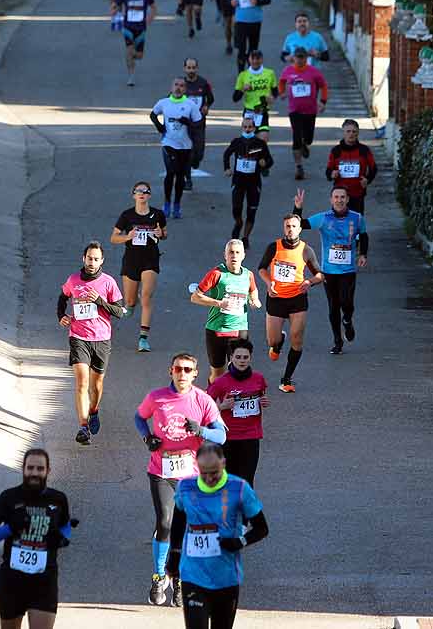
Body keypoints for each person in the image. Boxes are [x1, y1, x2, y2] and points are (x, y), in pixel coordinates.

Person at [136, 354, 227, 607]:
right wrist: (147, 437)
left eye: (188, 370)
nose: (182, 373)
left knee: (185, 529)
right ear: (171, 371)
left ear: (195, 373)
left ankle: (178, 578)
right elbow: (139, 417)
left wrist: (201, 431)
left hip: (191, 476)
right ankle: (158, 575)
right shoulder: (157, 397)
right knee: (164, 522)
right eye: (178, 369)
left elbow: (221, 436)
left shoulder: (203, 400)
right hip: (161, 471)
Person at [165, 442, 269, 629]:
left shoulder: (239, 489)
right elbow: (179, 518)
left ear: (223, 464)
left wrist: (239, 542)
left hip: (226, 578)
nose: (209, 478)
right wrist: (174, 553)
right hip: (193, 576)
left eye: (214, 472)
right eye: (204, 472)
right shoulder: (186, 488)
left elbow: (262, 528)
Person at [0, 448, 77, 629]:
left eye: (40, 469)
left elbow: (65, 525)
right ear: (23, 469)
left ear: (48, 471)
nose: (34, 473)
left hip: (44, 581)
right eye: (30, 468)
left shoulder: (58, 499)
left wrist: (62, 537)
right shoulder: (8, 497)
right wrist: (10, 528)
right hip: (12, 581)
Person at [58, 241, 128, 444]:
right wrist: (61, 315)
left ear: (102, 261)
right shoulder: (73, 280)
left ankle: (94, 410)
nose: (92, 262)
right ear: (83, 258)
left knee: (96, 385)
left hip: (101, 339)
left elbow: (119, 312)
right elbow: (62, 298)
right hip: (78, 337)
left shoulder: (108, 282)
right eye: (89, 258)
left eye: (96, 259)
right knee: (82, 383)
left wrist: (99, 300)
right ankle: (83, 427)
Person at [293, 186, 369, 355]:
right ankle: (337, 342)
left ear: (347, 199)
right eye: (336, 197)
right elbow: (300, 225)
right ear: (331, 200)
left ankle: (347, 320)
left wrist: (363, 254)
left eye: (342, 197)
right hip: (329, 271)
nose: (339, 200)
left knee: (347, 303)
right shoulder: (323, 218)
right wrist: (298, 208)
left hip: (348, 270)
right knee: (333, 306)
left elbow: (363, 235)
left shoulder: (356, 218)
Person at [254, 212, 324, 393]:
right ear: (283, 228)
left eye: (294, 226)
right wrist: (269, 283)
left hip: (297, 299)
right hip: (276, 299)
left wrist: (309, 282)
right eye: (287, 226)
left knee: (298, 339)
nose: (290, 229)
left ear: (300, 229)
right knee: (272, 341)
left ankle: (286, 379)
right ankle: (278, 343)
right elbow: (261, 268)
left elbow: (320, 274)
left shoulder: (306, 250)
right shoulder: (274, 247)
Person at [189, 239, 261, 383]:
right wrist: (219, 303)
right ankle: (212, 399)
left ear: (243, 255)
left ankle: (235, 403)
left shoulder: (248, 275)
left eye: (237, 252)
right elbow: (195, 298)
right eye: (231, 252)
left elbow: (254, 292)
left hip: (239, 329)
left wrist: (255, 301)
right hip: (216, 329)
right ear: (225, 255)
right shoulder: (216, 274)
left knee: (239, 369)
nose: (234, 256)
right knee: (218, 374)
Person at [201, 341, 268, 485]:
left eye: (245, 357)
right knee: (228, 480)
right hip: (228, 438)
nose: (242, 361)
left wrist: (263, 401)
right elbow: (205, 407)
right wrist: (222, 406)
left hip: (251, 436)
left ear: (250, 358)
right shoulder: (220, 382)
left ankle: (243, 507)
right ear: (231, 357)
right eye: (238, 357)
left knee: (247, 480)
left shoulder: (258, 379)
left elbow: (260, 395)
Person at [112, 181, 168, 353]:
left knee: (146, 296)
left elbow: (164, 234)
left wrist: (161, 234)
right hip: (131, 260)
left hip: (150, 259)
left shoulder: (157, 214)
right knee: (130, 301)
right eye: (138, 191)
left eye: (145, 191)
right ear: (134, 195)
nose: (142, 194)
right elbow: (113, 238)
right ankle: (130, 304)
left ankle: (143, 339)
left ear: (149, 195)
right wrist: (127, 237)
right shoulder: (127, 216)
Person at [151, 76, 205, 219]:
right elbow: (153, 114)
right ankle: (167, 203)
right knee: (171, 172)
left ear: (185, 89)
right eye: (176, 85)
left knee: (180, 175)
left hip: (186, 146)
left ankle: (177, 204)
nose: (178, 88)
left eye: (181, 85)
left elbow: (199, 124)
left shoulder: (190, 105)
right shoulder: (164, 103)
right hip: (168, 143)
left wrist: (188, 123)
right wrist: (159, 127)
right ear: (171, 87)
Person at [277, 47, 329, 180]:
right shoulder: (288, 70)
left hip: (310, 110)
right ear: (293, 57)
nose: (300, 60)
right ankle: (299, 167)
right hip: (294, 110)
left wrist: (322, 101)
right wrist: (282, 92)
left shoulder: (313, 72)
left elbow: (323, 85)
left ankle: (305, 143)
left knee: (309, 137)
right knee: (296, 136)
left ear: (307, 58)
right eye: (298, 57)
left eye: (302, 57)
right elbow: (282, 81)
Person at [221, 118, 273, 248]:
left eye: (250, 127)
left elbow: (270, 160)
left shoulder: (260, 144)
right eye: (245, 127)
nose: (247, 129)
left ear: (254, 128)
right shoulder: (237, 142)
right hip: (238, 181)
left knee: (251, 211)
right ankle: (238, 222)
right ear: (241, 128)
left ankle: (245, 237)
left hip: (254, 183)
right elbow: (226, 154)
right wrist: (227, 168)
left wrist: (264, 163)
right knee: (236, 208)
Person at [113, 0, 157, 87]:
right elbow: (115, 4)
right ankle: (131, 76)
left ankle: (132, 57)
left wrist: (150, 18)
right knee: (129, 50)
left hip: (141, 28)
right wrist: (114, 11)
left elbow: (153, 7)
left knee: (139, 55)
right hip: (128, 27)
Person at [326, 119, 380, 214]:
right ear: (343, 133)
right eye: (348, 131)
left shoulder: (364, 150)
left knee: (356, 223)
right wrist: (332, 174)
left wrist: (367, 180)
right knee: (339, 223)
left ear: (358, 133)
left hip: (357, 193)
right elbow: (328, 171)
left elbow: (373, 168)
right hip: (340, 195)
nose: (351, 134)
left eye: (354, 131)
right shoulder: (336, 151)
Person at [226, 0, 271, 70]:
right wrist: (231, 2)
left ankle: (252, 72)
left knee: (253, 49)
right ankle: (241, 74)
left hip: (255, 20)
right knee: (241, 49)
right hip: (240, 21)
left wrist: (258, 1)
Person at [182, 57, 216, 191]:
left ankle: (195, 161)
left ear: (197, 68)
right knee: (187, 153)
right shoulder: (181, 84)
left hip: (199, 123)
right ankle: (188, 180)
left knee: (199, 153)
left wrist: (206, 106)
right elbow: (171, 98)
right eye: (188, 68)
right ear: (185, 69)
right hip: (185, 125)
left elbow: (211, 98)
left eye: (193, 67)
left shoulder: (203, 83)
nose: (191, 70)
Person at [231, 48, 277, 139]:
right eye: (253, 58)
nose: (255, 61)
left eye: (258, 59)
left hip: (262, 111)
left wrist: (272, 98)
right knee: (249, 142)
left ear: (262, 59)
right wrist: (243, 90)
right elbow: (235, 98)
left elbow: (275, 91)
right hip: (249, 112)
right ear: (249, 59)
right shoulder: (243, 75)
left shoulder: (270, 73)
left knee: (263, 139)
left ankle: (259, 153)